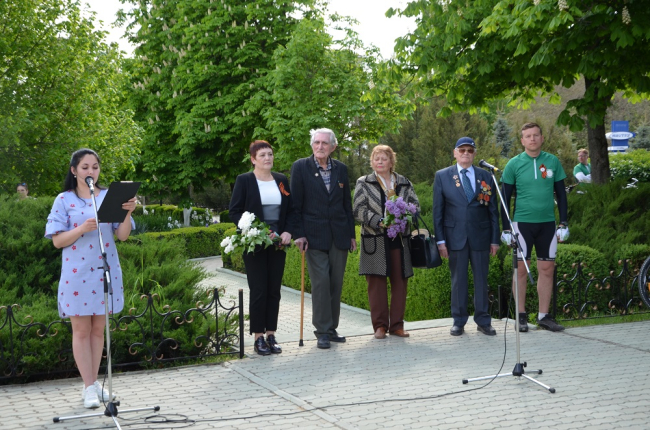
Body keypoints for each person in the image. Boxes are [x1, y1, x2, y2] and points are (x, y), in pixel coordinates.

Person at [45, 149, 136, 408]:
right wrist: (82, 228)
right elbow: (57, 241)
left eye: (95, 167)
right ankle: (87, 387)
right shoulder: (63, 200)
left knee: (98, 331)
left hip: (105, 271)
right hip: (76, 274)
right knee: (82, 331)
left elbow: (122, 236)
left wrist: (128, 212)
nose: (91, 172)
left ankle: (95, 382)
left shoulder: (108, 197)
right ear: (74, 170)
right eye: (85, 167)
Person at [229, 140, 299, 356]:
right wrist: (256, 231)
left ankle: (271, 334)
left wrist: (288, 232)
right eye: (262, 155)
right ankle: (258, 337)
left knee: (274, 291)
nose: (267, 158)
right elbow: (234, 211)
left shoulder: (281, 180)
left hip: (278, 244)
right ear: (253, 160)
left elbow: (291, 211)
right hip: (255, 245)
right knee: (259, 290)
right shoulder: (244, 180)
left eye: (270, 154)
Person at [290, 128, 356, 350]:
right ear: (312, 145)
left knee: (336, 283)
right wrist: (299, 234)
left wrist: (351, 234)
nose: (320, 146)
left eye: (324, 143)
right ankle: (322, 331)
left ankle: (332, 328)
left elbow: (346, 204)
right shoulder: (300, 167)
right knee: (321, 284)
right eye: (316, 142)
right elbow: (295, 205)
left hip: (339, 235)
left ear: (333, 147)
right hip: (313, 236)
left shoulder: (341, 169)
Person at [501, 123, 568, 332]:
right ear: (522, 140)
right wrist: (506, 228)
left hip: (547, 224)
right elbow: (504, 199)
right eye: (528, 136)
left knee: (547, 269)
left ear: (542, 138)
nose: (532, 139)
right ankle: (520, 315)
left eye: (536, 135)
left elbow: (561, 195)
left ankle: (544, 316)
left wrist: (564, 222)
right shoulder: (513, 164)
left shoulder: (552, 161)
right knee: (521, 269)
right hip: (522, 224)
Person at [433, 137, 500, 337]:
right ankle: (459, 321)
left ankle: (483, 321)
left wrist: (495, 239)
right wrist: (440, 241)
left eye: (470, 150)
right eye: (461, 150)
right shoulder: (443, 176)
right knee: (458, 281)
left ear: (475, 154)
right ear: (454, 153)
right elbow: (438, 211)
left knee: (481, 280)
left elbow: (493, 210)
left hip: (481, 236)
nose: (465, 153)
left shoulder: (486, 176)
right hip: (455, 237)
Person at [353, 145, 420, 339]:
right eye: (376, 159)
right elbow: (358, 210)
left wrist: (405, 214)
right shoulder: (364, 182)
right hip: (375, 239)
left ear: (391, 162)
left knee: (400, 283)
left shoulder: (404, 182)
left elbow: (416, 205)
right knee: (376, 284)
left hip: (399, 240)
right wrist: (380, 221)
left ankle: (397, 326)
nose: (380, 162)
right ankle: (380, 326)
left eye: (384, 159)